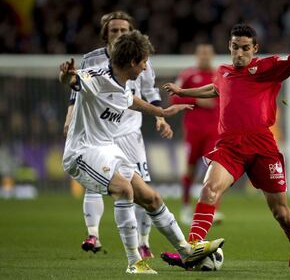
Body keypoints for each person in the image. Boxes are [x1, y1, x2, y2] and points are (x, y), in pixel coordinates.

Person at [161, 8, 290, 268]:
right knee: (208, 190)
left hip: (262, 147)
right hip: (229, 146)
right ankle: (190, 249)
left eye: (245, 48)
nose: (239, 53)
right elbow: (214, 89)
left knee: (280, 212)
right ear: (229, 46)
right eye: (235, 47)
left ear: (254, 48)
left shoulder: (268, 67)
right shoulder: (223, 71)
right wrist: (183, 90)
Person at [59, 30, 224, 274]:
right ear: (133, 62)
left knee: (152, 198)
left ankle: (187, 252)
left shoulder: (123, 81)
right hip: (81, 151)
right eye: (144, 61)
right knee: (124, 190)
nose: (147, 66)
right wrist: (66, 75)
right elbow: (73, 81)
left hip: (107, 149)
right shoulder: (97, 78)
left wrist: (163, 113)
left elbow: (131, 101)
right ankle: (134, 262)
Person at [63, 11, 171, 258]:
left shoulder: (143, 61)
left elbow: (148, 91)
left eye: (124, 30)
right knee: (97, 183)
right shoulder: (91, 59)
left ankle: (143, 243)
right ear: (106, 34)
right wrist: (70, 116)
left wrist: (160, 116)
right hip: (100, 132)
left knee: (143, 188)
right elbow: (76, 89)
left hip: (129, 131)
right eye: (114, 30)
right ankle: (93, 233)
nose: (120, 34)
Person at [171, 44, 222, 225]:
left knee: (214, 169)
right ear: (196, 56)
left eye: (208, 54)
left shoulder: (220, 75)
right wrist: (197, 100)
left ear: (213, 56)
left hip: (214, 132)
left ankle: (212, 210)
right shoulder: (188, 75)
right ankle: (185, 207)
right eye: (202, 54)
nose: (205, 57)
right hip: (193, 130)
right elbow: (174, 97)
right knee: (191, 168)